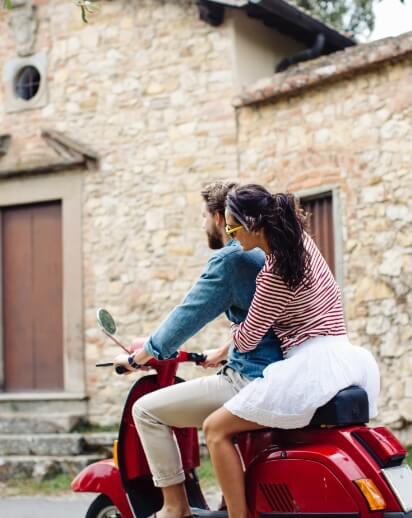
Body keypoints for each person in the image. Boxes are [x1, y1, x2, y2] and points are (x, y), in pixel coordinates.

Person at [203, 184, 381, 518]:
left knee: (215, 429)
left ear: (253, 224)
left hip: (309, 368)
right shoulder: (302, 244)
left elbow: (248, 339)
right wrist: (224, 348)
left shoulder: (273, 275)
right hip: (344, 358)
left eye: (232, 227)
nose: (230, 235)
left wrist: (233, 319)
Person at [115, 181, 283, 518]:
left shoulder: (231, 259)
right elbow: (262, 319)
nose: (203, 225)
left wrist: (138, 358)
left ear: (221, 218)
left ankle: (175, 507)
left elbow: (183, 319)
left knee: (146, 411)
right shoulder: (267, 249)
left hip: (249, 377)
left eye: (205, 217)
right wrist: (222, 352)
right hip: (281, 370)